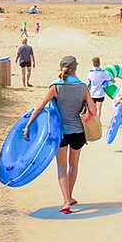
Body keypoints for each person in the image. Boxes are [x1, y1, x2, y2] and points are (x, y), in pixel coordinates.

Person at [24, 56, 96, 214]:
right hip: (78, 132)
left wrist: (28, 126)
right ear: (75, 68)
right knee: (74, 165)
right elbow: (93, 111)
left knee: (61, 167)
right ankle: (69, 197)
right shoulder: (83, 87)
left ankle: (66, 201)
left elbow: (39, 108)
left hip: (60, 133)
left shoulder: (55, 87)